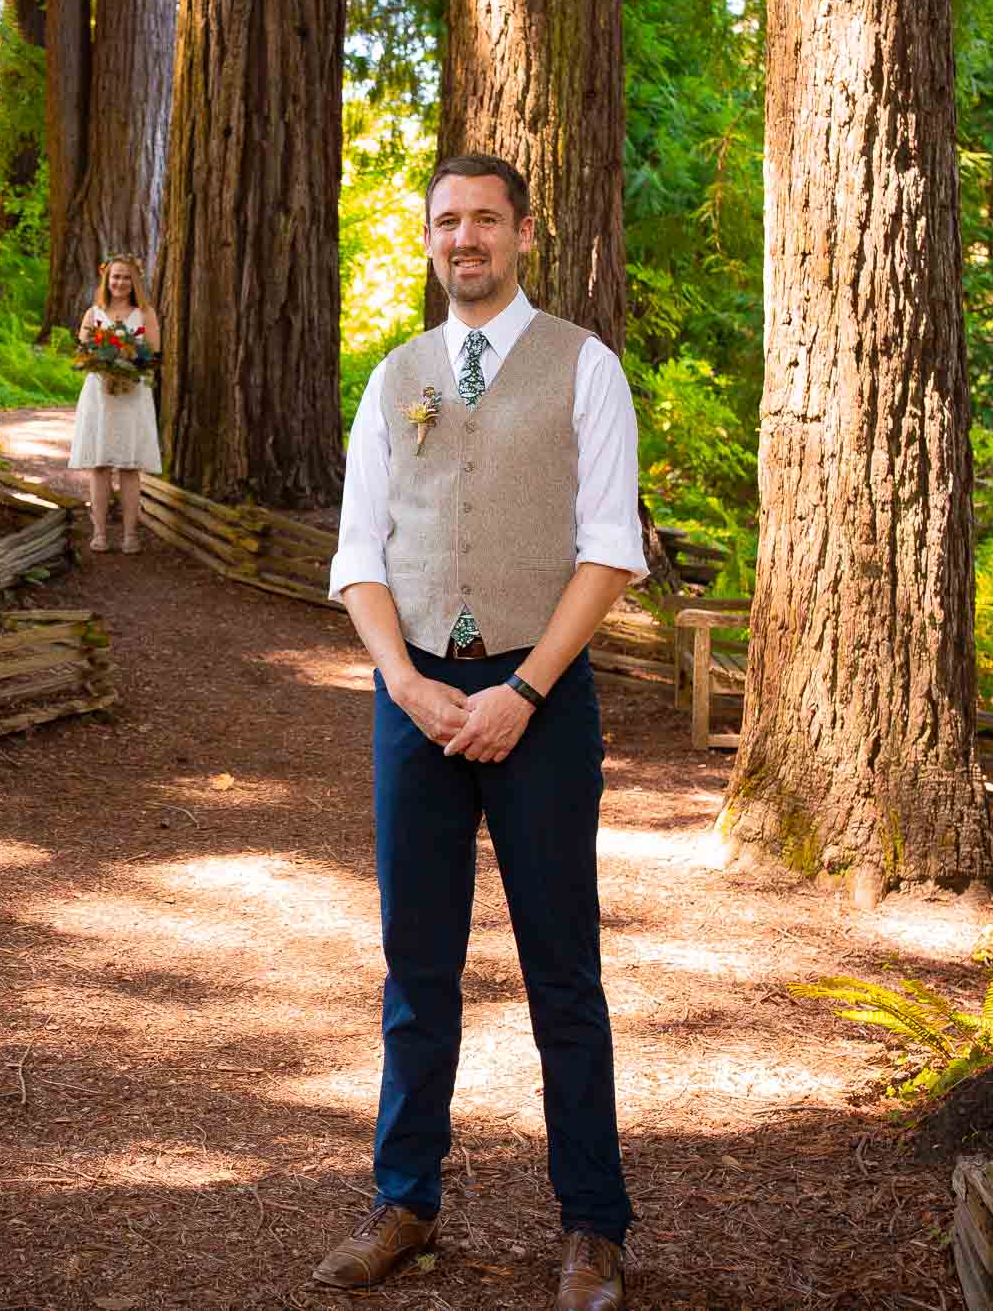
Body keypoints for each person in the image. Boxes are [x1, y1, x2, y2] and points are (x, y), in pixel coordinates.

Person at [316, 153, 647, 1311]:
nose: (466, 238)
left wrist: (527, 692)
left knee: (563, 970)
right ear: (427, 240)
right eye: (447, 221)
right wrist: (402, 682)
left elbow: (610, 547)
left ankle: (593, 1227)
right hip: (412, 696)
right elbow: (358, 553)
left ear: (520, 234)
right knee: (417, 965)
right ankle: (403, 1201)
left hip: (537, 698)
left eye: (485, 221)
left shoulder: (583, 368)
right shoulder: (392, 377)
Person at [68, 252, 162, 553]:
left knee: (129, 465)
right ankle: (99, 532)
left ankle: (130, 534)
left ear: (134, 282)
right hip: (100, 394)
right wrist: (104, 366)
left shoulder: (145, 314)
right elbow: (83, 353)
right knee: (100, 463)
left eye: (125, 277)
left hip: (132, 394)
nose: (120, 282)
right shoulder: (93, 313)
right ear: (106, 280)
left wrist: (131, 365)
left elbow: (155, 354)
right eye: (115, 277)